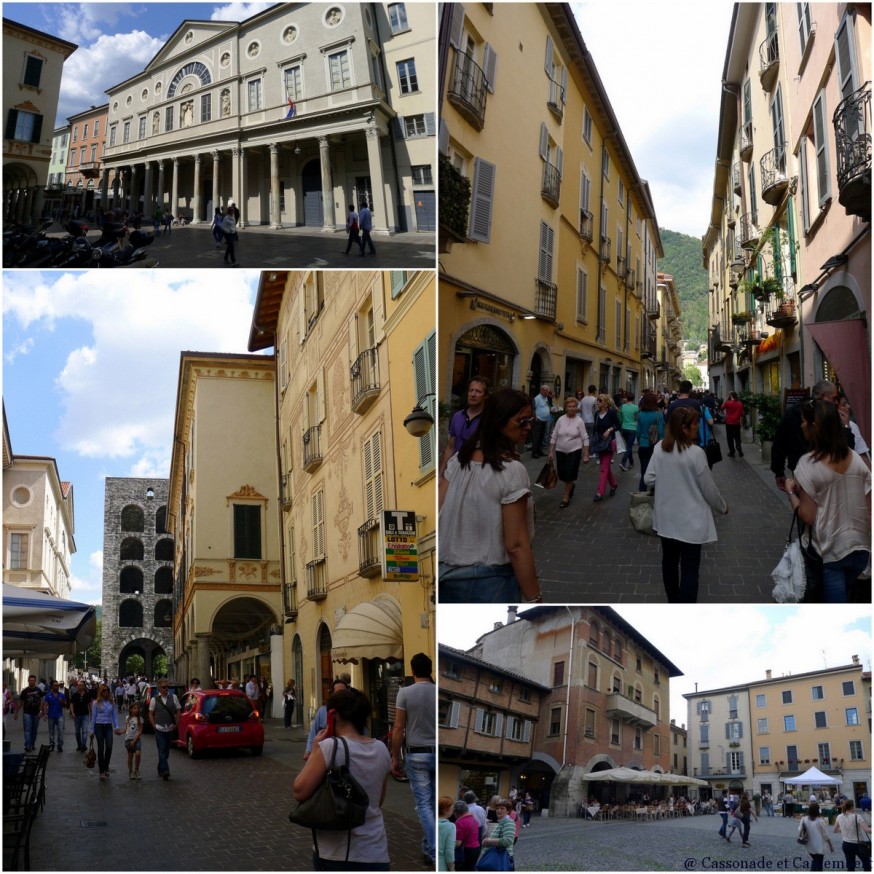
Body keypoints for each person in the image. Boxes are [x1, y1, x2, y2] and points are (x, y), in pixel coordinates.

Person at [438, 389, 542, 604]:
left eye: (530, 420)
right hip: (491, 580)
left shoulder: (458, 461)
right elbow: (516, 545)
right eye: (522, 421)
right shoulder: (512, 471)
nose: (528, 427)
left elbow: (439, 510)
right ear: (499, 422)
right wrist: (534, 598)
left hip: (447, 576)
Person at [293, 688, 391, 870]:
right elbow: (378, 800)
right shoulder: (382, 749)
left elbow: (300, 790)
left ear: (333, 715)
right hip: (375, 850)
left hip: (336, 851)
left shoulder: (330, 747)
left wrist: (315, 751)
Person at [785, 400, 871, 602]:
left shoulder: (807, 464)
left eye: (805, 421)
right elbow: (869, 504)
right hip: (859, 550)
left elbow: (807, 515)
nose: (801, 425)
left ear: (814, 427)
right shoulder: (854, 458)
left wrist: (791, 493)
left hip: (829, 552)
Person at [644, 406, 729, 602]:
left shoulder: (659, 448)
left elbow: (649, 479)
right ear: (683, 428)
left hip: (666, 519)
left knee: (669, 564)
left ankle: (673, 600)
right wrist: (723, 507)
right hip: (691, 522)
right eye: (694, 424)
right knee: (690, 568)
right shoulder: (696, 453)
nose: (698, 427)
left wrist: (667, 481)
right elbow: (709, 489)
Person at [392, 653, 436, 867]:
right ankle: (429, 849)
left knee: (424, 806)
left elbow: (399, 727)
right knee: (435, 806)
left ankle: (435, 851)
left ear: (413, 670)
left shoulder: (405, 692)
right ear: (430, 669)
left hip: (417, 753)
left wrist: (394, 757)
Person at [771, 379, 854, 491]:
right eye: (834, 398)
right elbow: (844, 447)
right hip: (823, 472)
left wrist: (778, 471)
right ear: (822, 396)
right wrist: (846, 427)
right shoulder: (827, 416)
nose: (836, 402)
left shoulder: (793, 411)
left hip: (809, 472)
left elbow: (779, 443)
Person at [440, 376, 490, 476]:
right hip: (456, 469)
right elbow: (450, 447)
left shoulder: (489, 419)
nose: (473, 394)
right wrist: (441, 473)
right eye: (471, 390)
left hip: (478, 471)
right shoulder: (457, 416)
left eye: (478, 391)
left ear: (485, 396)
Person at [548, 396, 590, 507]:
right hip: (560, 451)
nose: (572, 408)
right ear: (566, 407)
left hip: (574, 451)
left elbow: (585, 438)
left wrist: (585, 454)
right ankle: (571, 486)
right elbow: (554, 435)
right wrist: (551, 451)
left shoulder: (579, 421)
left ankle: (565, 498)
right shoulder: (560, 419)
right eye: (569, 406)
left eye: (574, 406)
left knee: (570, 475)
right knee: (562, 475)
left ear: (577, 408)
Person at [305, 678, 350, 760]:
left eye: (343, 692)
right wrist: (308, 749)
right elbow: (313, 732)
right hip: (324, 753)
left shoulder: (353, 711)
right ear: (333, 694)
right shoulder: (323, 711)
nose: (341, 695)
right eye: (338, 692)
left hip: (347, 753)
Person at [148, 678, 180, 780]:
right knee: (161, 749)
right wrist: (153, 725)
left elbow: (178, 711)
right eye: (164, 687)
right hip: (159, 729)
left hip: (170, 728)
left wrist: (176, 723)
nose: (166, 689)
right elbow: (151, 713)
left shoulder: (174, 697)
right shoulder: (154, 700)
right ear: (159, 689)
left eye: (167, 687)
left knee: (166, 751)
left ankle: (160, 767)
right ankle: (165, 770)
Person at [90, 684, 124, 781]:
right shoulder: (96, 703)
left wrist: (117, 726)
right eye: (104, 690)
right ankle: (101, 771)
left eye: (107, 690)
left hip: (108, 726)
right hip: (98, 726)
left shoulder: (111, 703)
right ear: (101, 692)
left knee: (109, 746)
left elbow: (114, 716)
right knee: (101, 748)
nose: (106, 692)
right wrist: (92, 730)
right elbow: (93, 717)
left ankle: (106, 766)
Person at [591, 394, 621, 502]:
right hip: (600, 443)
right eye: (597, 400)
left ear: (606, 403)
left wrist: (609, 430)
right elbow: (595, 430)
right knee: (606, 467)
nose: (597, 402)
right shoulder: (596, 414)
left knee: (604, 468)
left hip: (609, 444)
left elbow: (618, 425)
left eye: (600, 400)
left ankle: (600, 492)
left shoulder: (611, 413)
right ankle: (613, 484)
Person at [636, 391, 665, 492]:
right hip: (655, 447)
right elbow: (661, 432)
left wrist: (640, 442)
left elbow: (638, 432)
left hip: (643, 447)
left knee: (644, 474)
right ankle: (654, 499)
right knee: (656, 475)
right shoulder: (658, 414)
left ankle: (641, 501)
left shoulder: (640, 414)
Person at [833, 798, 871, 872]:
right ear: (852, 807)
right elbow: (867, 830)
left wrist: (844, 829)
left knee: (850, 866)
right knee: (867, 864)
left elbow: (835, 830)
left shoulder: (839, 816)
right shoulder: (857, 816)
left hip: (846, 844)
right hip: (858, 845)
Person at [479, 799, 515, 867]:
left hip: (502, 860)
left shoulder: (508, 822)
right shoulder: (501, 822)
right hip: (496, 859)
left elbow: (507, 841)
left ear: (508, 811)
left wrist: (488, 841)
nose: (499, 810)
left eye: (502, 808)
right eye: (497, 808)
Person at [839, 393, 871, 468]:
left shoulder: (852, 425)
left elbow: (862, 454)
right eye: (844, 404)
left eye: (847, 403)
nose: (848, 407)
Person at [799, 801, 834, 870]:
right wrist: (830, 845)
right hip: (819, 846)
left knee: (814, 861)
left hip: (809, 844)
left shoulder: (804, 819)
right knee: (819, 863)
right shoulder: (820, 821)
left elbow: (799, 829)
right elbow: (825, 835)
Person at [15, 675, 43, 752]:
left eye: (33, 680)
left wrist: (41, 711)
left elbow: (42, 702)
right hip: (27, 713)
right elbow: (20, 702)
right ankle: (27, 745)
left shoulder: (38, 690)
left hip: (36, 713)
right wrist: (16, 712)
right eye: (30, 680)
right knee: (27, 730)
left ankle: (32, 744)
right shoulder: (25, 691)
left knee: (34, 730)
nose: (32, 682)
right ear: (28, 681)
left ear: (35, 681)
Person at [452, 800, 481, 871]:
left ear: (456, 813)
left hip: (466, 850)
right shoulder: (473, 819)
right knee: (471, 868)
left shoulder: (459, 823)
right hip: (477, 848)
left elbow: (458, 843)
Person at [41, 679, 66, 752]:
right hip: (51, 715)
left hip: (59, 715)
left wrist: (62, 702)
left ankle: (60, 745)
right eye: (55, 685)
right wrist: (45, 714)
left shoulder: (61, 695)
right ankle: (52, 744)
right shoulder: (48, 695)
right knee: (51, 731)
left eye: (58, 685)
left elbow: (65, 705)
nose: (57, 687)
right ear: (52, 686)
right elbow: (45, 705)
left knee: (60, 731)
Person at [69, 680, 92, 752]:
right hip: (77, 715)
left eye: (80, 685)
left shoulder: (87, 695)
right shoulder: (75, 695)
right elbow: (71, 704)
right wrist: (72, 713)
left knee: (84, 731)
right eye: (78, 685)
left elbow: (89, 705)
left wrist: (90, 714)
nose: (79, 686)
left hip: (85, 715)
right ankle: (79, 745)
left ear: (84, 686)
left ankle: (83, 745)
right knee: (77, 732)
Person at [618, 393, 639, 471]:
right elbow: (637, 418)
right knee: (629, 447)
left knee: (628, 446)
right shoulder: (636, 408)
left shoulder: (623, 406)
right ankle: (623, 462)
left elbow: (619, 416)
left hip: (624, 428)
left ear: (626, 398)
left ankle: (631, 462)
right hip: (632, 428)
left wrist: (622, 423)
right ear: (633, 399)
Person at [721, 391, 745, 458]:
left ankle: (732, 452)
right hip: (737, 423)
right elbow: (742, 414)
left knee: (730, 438)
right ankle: (739, 447)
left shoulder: (727, 403)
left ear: (731, 395)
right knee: (737, 437)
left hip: (729, 423)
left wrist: (725, 400)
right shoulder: (739, 403)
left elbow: (721, 408)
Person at [530, 385, 552, 459]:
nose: (545, 392)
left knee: (541, 437)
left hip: (544, 420)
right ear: (540, 391)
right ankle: (534, 453)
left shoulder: (546, 398)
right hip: (538, 420)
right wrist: (535, 417)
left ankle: (540, 451)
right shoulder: (537, 398)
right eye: (544, 390)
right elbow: (533, 408)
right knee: (536, 437)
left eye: (546, 390)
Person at [125, 701, 144, 780]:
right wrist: (120, 731)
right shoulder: (127, 718)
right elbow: (127, 729)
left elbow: (140, 731)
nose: (136, 710)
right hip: (128, 739)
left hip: (137, 739)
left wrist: (134, 740)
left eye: (138, 708)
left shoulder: (140, 719)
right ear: (131, 710)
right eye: (134, 708)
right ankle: (130, 771)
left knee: (138, 754)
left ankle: (136, 769)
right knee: (130, 756)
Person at [438, 796, 457, 872]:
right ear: (445, 810)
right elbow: (449, 851)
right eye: (452, 807)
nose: (454, 809)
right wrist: (452, 868)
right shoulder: (450, 826)